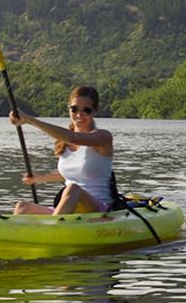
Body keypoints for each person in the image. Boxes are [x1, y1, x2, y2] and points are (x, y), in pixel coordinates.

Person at [9, 85, 114, 215]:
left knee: (72, 189)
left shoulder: (103, 137)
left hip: (99, 208)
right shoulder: (63, 142)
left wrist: (29, 120)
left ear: (95, 111)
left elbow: (73, 137)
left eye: (86, 110)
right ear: (68, 108)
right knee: (22, 207)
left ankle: (54, 228)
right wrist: (39, 178)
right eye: (74, 109)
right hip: (69, 207)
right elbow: (73, 173)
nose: (79, 115)